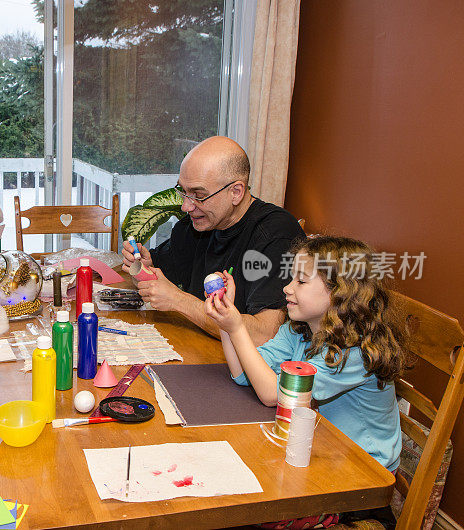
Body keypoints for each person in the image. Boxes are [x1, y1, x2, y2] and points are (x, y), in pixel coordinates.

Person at [205, 235, 405, 528]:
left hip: (360, 479)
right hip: (320, 449)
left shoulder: (352, 353)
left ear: (340, 292)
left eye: (301, 281)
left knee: (243, 512)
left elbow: (274, 394)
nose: (286, 288)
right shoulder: (299, 330)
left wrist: (237, 329)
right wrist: (226, 323)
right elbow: (244, 374)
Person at [121, 136, 304, 344]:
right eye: (183, 191)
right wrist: (144, 268)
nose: (186, 207)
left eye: (199, 195)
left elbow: (265, 334)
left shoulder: (276, 235)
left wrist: (179, 300)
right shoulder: (197, 226)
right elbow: (157, 279)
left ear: (236, 192)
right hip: (198, 348)